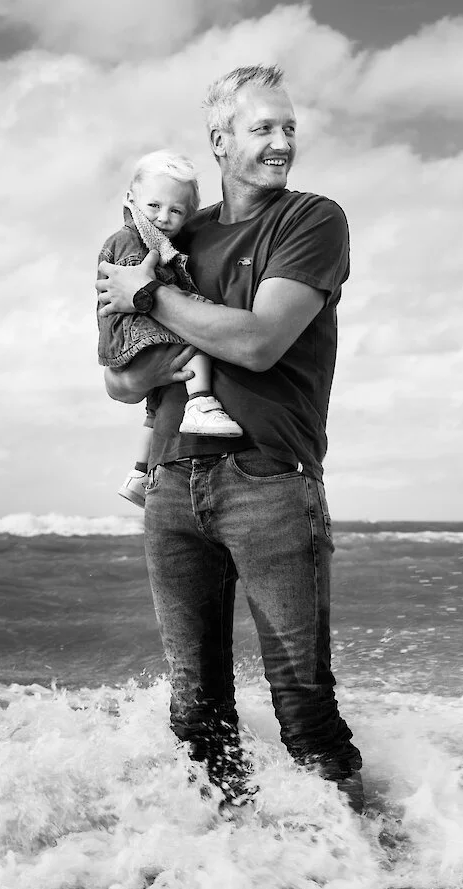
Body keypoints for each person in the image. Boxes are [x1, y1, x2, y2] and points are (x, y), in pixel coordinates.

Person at [97, 65, 364, 813]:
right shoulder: (178, 231)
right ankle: (234, 873)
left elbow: (256, 342)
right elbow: (121, 381)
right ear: (220, 141)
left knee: (304, 711)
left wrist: (149, 296)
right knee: (196, 714)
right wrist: (146, 318)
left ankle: (367, 877)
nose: (282, 143)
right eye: (263, 129)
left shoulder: (311, 220)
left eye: (289, 129)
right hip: (173, 483)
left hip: (271, 481)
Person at [97, 150, 243, 508]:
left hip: (131, 343)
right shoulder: (134, 242)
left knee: (155, 406)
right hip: (139, 332)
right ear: (130, 199)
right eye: (154, 206)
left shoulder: (156, 240)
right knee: (201, 330)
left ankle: (138, 473)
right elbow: (137, 288)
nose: (164, 218)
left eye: (176, 211)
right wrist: (188, 303)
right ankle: (200, 403)